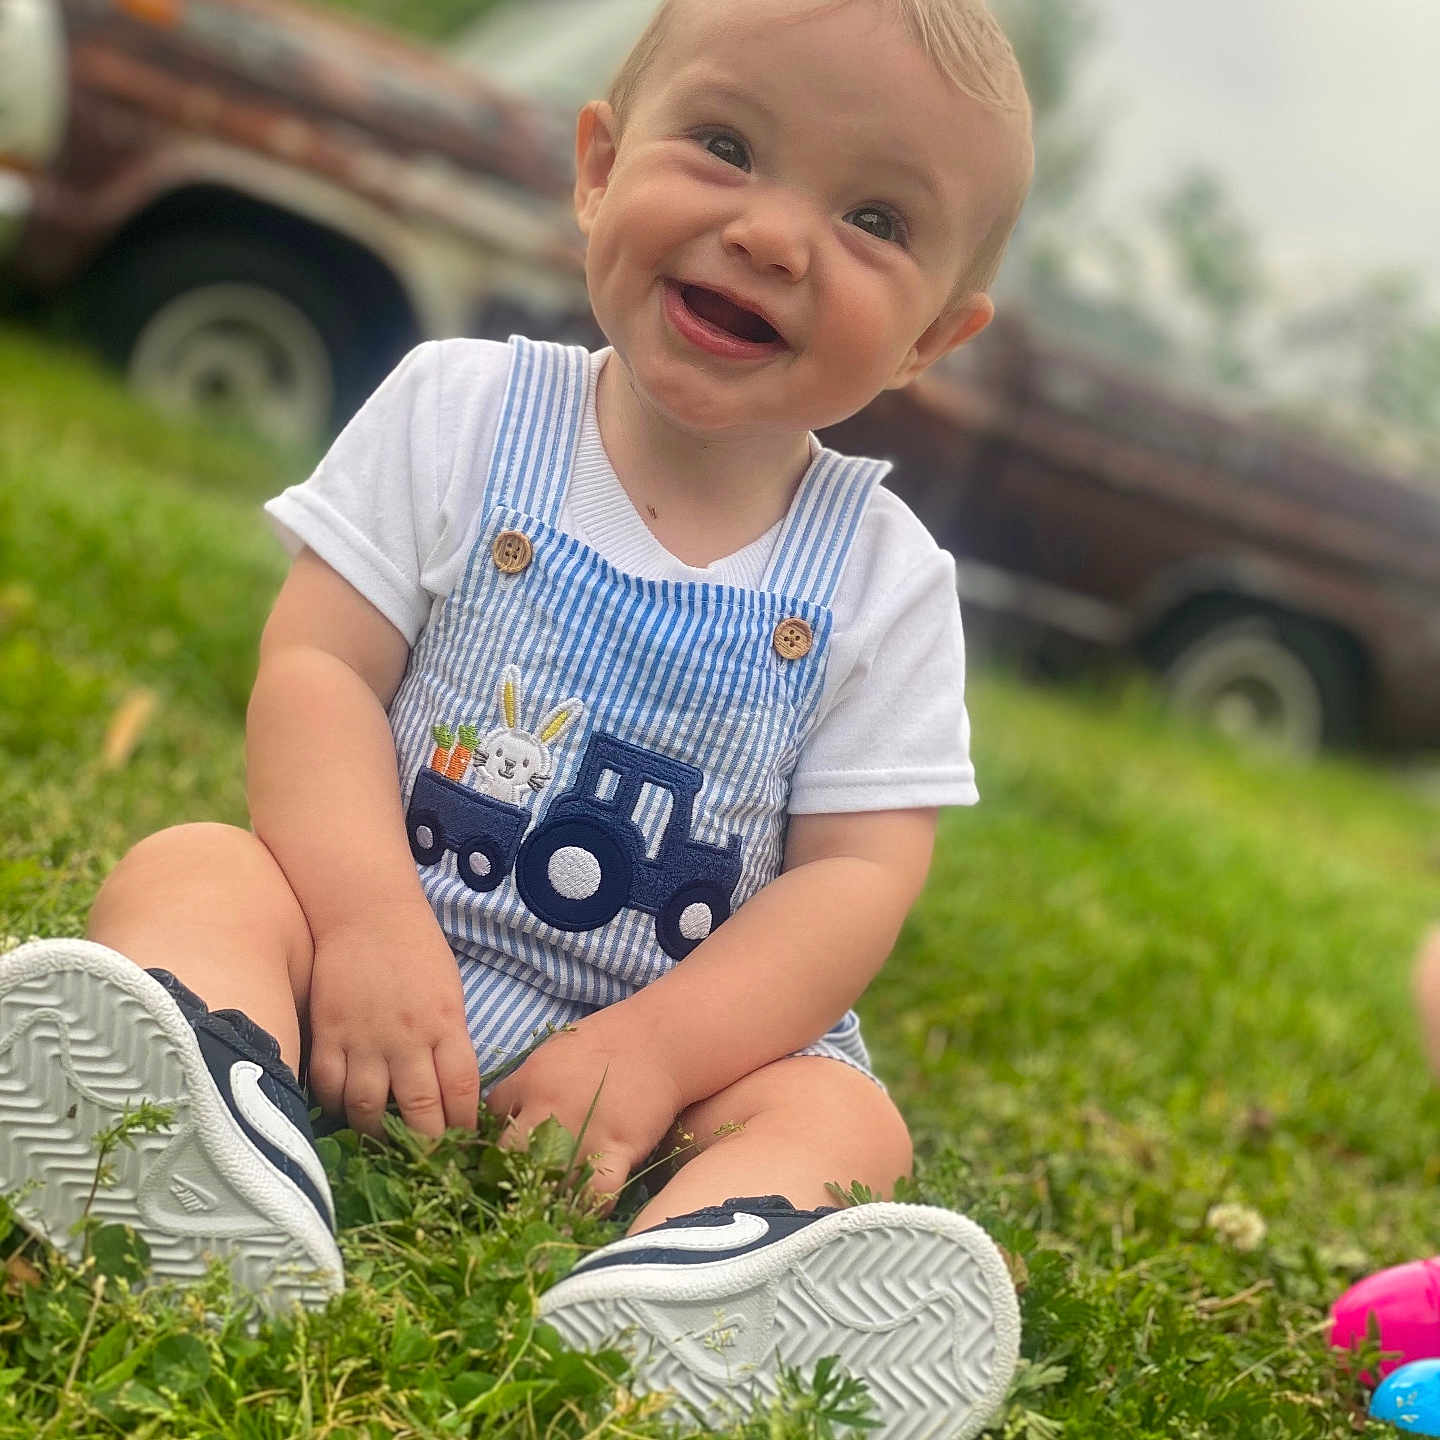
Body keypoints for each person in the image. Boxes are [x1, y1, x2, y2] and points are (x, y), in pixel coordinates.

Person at [0, 0, 1035, 1432]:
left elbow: (858, 877)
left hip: (673, 1049)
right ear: (600, 162)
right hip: (365, 954)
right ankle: (217, 1107)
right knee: (194, 868)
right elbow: (319, 672)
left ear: (937, 334)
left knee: (848, 1121)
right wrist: (361, 923)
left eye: (873, 218)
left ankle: (704, 1280)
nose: (776, 237)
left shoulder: (885, 579)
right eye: (726, 146)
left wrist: (663, 1054)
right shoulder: (461, 410)